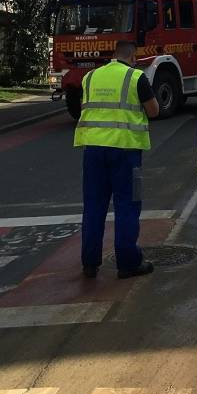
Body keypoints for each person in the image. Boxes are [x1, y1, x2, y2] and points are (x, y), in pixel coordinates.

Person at [75, 40, 160, 279]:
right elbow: (153, 111)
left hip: (93, 149)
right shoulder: (136, 78)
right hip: (126, 151)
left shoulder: (90, 77)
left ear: (114, 54)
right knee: (127, 206)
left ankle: (90, 263)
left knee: (93, 207)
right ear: (133, 57)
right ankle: (128, 263)